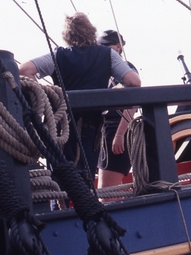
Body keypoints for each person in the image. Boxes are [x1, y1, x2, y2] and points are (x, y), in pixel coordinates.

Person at [18, 12, 141, 180]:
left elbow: (24, 71)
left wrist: (48, 93)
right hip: (91, 128)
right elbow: (134, 82)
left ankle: (61, 205)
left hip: (62, 129)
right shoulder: (107, 55)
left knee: (60, 181)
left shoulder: (58, 55)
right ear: (91, 31)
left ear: (67, 36)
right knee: (85, 181)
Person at [96, 30, 138, 189]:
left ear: (119, 47)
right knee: (106, 190)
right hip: (105, 131)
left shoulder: (127, 69)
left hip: (116, 129)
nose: (103, 50)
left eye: (107, 46)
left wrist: (120, 134)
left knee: (107, 191)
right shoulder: (106, 73)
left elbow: (132, 104)